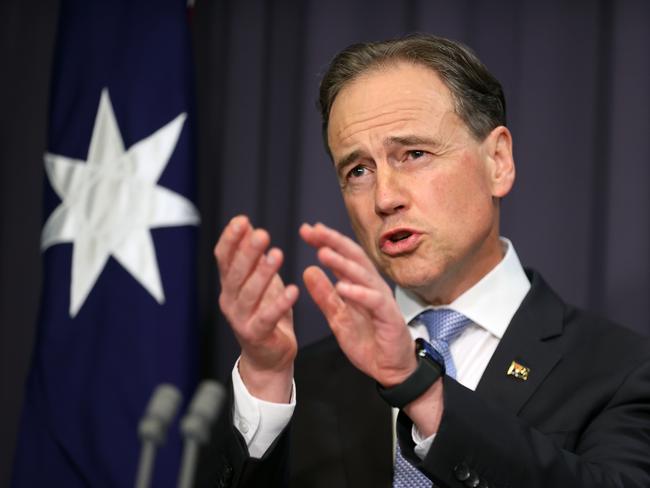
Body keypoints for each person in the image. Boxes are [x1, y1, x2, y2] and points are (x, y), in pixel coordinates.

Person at [197, 34, 650, 488]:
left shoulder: (621, 370)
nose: (385, 198)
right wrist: (266, 378)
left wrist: (420, 389)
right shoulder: (298, 382)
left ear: (498, 162)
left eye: (413, 154)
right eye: (358, 170)